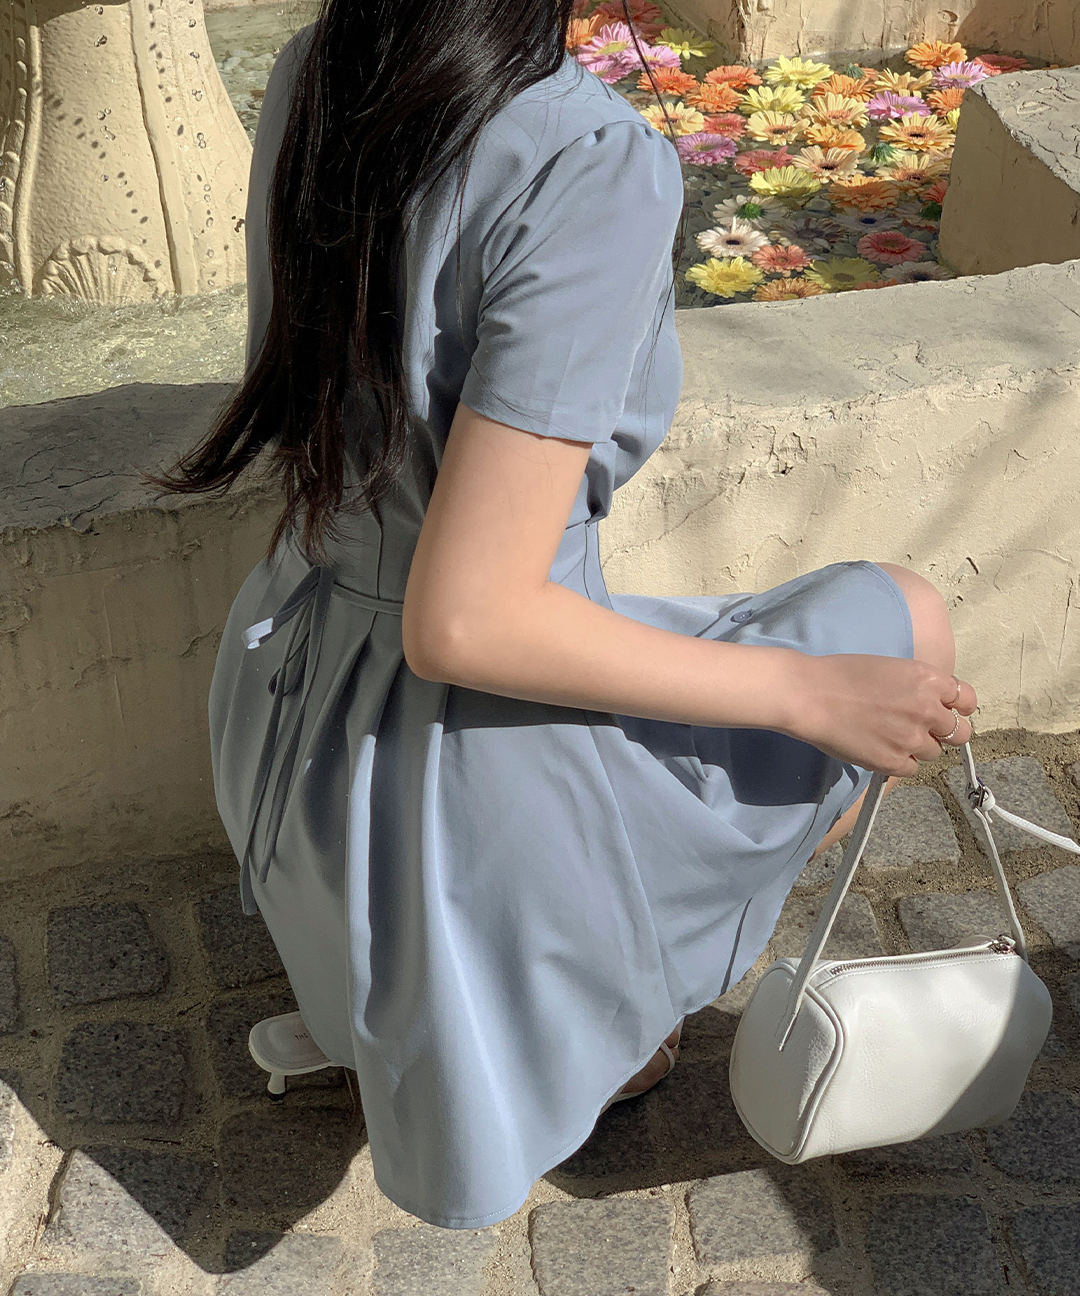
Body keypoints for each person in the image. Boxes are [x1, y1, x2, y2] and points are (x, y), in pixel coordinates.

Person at [156, 0, 976, 1230]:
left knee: (742, 642)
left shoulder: (325, 64)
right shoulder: (584, 157)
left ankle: (440, 1001)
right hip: (462, 784)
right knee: (897, 622)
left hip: (289, 708)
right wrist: (811, 692)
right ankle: (587, 1017)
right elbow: (469, 623)